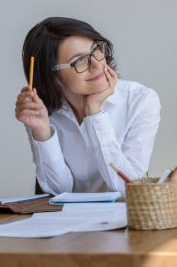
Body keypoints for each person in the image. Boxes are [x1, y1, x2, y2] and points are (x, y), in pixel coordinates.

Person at [15, 17, 161, 197]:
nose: (98, 64)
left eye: (97, 50)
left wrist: (94, 112)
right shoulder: (40, 110)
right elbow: (59, 191)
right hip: (66, 221)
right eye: (80, 61)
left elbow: (129, 189)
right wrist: (42, 132)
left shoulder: (140, 101)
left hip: (123, 221)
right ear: (52, 76)